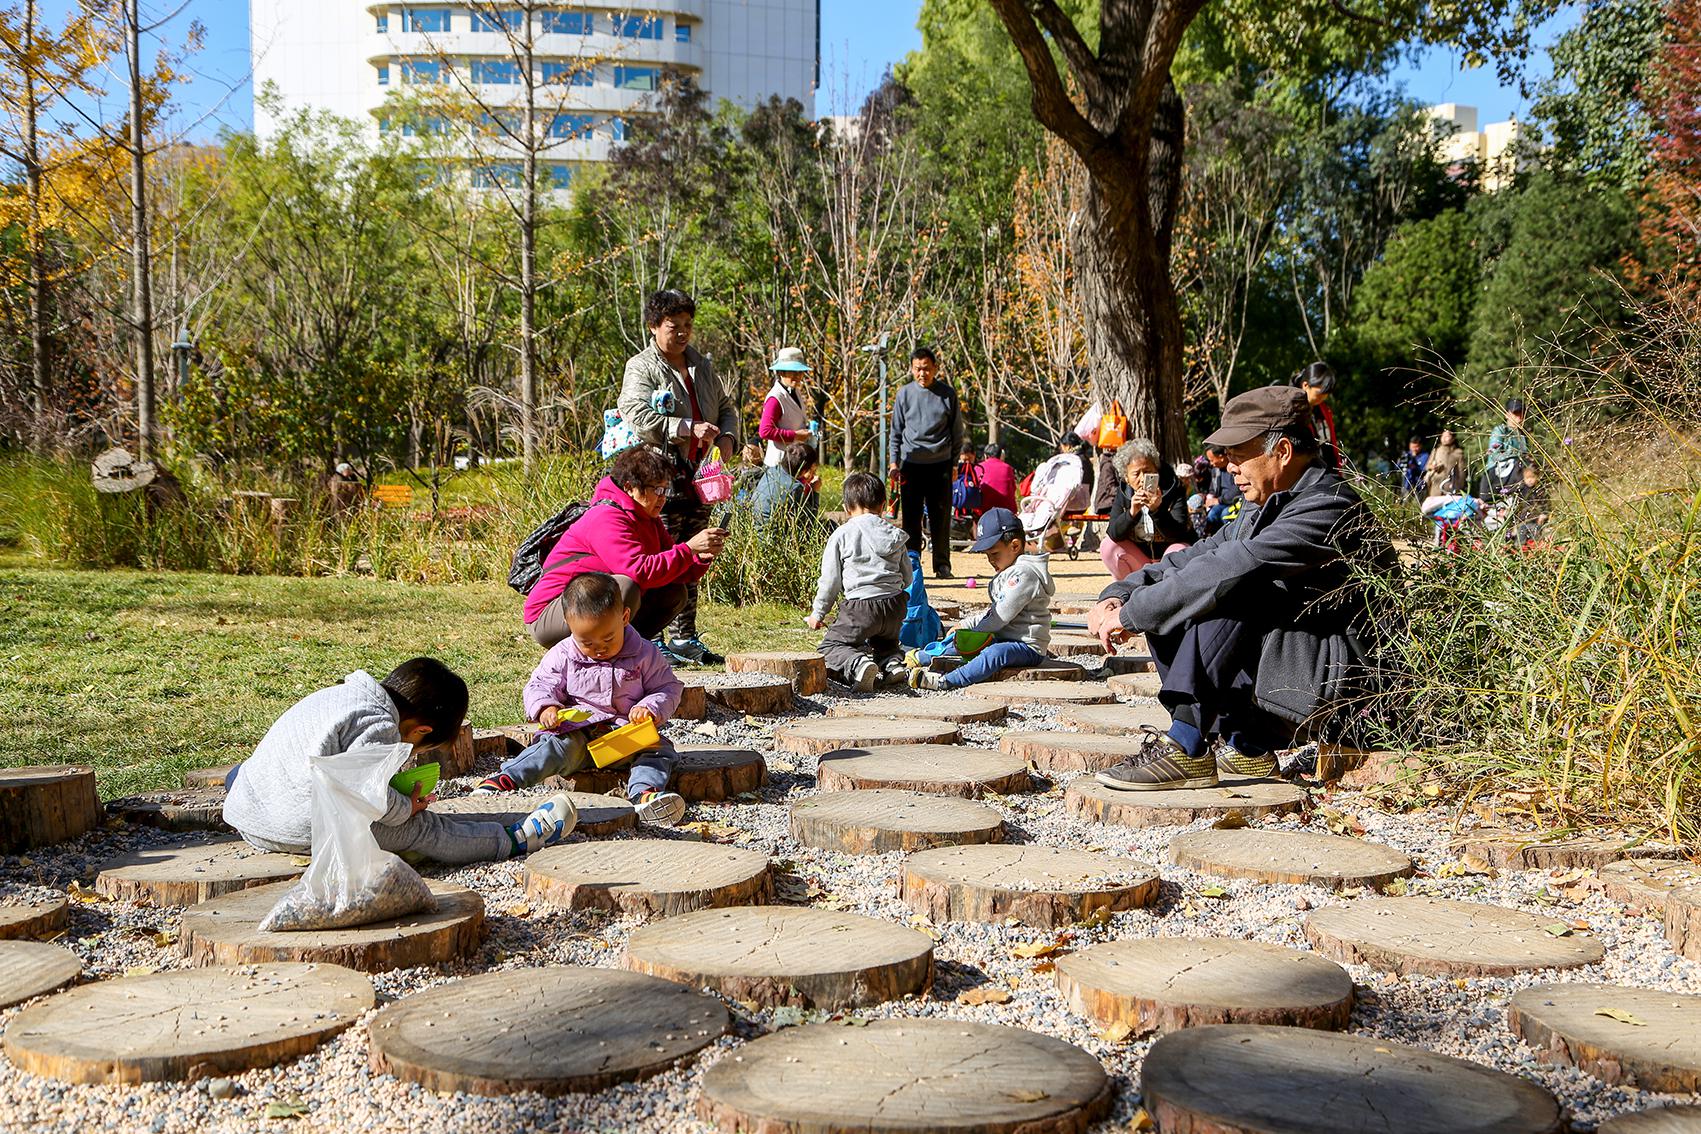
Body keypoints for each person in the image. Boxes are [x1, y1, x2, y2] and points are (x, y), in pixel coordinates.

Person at [1085, 386, 1394, 791]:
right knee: (1187, 590)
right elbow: (1200, 554)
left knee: (1235, 587)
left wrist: (1133, 615)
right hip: (1302, 670)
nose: (1228, 466)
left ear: (1281, 451)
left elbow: (1231, 566)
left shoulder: (1329, 505)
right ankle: (1246, 745)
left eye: (1238, 453)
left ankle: (1188, 745)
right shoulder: (1266, 500)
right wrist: (1122, 592)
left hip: (1352, 687)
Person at [223, 659, 577, 863]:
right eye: (419, 748)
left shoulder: (343, 696)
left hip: (248, 811)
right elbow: (367, 796)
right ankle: (514, 841)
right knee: (423, 829)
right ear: (421, 729)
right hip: (295, 828)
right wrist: (404, 808)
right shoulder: (379, 726)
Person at [482, 574, 687, 825]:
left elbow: (667, 687)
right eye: (587, 642)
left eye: (608, 638)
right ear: (569, 625)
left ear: (624, 618)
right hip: (578, 735)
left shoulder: (644, 653)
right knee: (551, 749)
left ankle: (644, 795)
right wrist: (546, 707)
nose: (599, 648)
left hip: (626, 736)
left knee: (659, 751)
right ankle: (506, 779)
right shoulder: (563, 654)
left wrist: (649, 707)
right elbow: (540, 684)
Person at [617, 288, 740, 665]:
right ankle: (651, 638)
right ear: (654, 326)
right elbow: (635, 412)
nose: (683, 332)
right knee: (662, 554)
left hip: (700, 476)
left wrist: (729, 435)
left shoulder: (702, 365)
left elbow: (724, 407)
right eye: (674, 326)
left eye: (688, 325)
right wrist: (685, 427)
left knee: (696, 553)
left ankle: (685, 636)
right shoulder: (642, 367)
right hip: (659, 476)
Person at [522, 445, 721, 651]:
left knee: (673, 591)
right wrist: (688, 549)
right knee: (624, 587)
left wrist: (700, 556)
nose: (663, 497)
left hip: (589, 602)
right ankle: (603, 656)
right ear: (629, 487)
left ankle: (627, 653)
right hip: (549, 615)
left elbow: (674, 571)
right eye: (657, 490)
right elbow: (639, 571)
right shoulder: (606, 516)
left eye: (666, 489)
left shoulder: (648, 518)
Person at [910, 508, 1054, 690]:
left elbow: (999, 616)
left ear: (1015, 546)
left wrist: (974, 632)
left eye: (994, 554)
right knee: (964, 640)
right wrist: (966, 626)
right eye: (987, 555)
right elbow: (993, 613)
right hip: (1004, 637)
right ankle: (921, 656)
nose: (990, 560)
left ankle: (948, 681)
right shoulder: (1011, 570)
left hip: (1027, 646)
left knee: (994, 653)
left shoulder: (1024, 575)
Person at [806, 472, 911, 692]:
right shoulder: (895, 534)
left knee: (830, 646)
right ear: (883, 505)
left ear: (846, 507)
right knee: (886, 642)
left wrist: (818, 613)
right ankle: (892, 663)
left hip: (861, 608)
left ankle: (858, 664)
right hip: (895, 606)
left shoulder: (842, 534)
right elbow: (908, 576)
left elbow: (831, 580)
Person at [888, 346, 965, 578]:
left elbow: (957, 432)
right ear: (912, 369)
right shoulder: (904, 394)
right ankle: (912, 563)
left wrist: (954, 465)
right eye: (918, 369)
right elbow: (896, 432)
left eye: (927, 369)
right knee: (910, 517)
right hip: (911, 463)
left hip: (940, 464)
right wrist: (894, 463)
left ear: (935, 369)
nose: (923, 374)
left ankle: (942, 564)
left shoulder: (947, 394)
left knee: (940, 516)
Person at [1100, 439, 1195, 580]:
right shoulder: (1124, 492)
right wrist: (1132, 513)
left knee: (1181, 550)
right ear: (1126, 478)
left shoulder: (1174, 488)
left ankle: (1170, 593)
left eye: (1148, 472)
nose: (1143, 478)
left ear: (1157, 470)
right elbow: (1114, 533)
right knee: (1108, 546)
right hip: (1139, 560)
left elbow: (1180, 533)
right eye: (1136, 474)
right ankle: (1131, 588)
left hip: (1167, 561)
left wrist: (1157, 510)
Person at [759, 347, 817, 465]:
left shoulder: (795, 391)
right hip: (779, 463)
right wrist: (795, 435)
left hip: (794, 460)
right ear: (781, 372)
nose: (797, 376)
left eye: (800, 372)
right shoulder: (775, 398)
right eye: (793, 371)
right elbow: (765, 431)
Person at [752, 442, 821, 529]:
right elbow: (809, 523)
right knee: (831, 525)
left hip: (756, 527)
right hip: (773, 536)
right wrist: (815, 491)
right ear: (804, 470)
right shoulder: (794, 488)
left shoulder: (771, 471)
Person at [1293, 362, 1341, 470]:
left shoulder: (1323, 409)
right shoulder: (1293, 411)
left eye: (1326, 393)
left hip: (1329, 468)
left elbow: (1332, 442)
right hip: (1309, 472)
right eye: (1320, 393)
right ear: (1305, 385)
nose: (1323, 397)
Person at [1200, 445, 1243, 534]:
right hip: (1220, 502)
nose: (1211, 463)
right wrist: (1209, 497)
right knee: (1211, 515)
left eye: (1212, 460)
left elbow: (1237, 489)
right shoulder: (1216, 471)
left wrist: (1218, 500)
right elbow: (1212, 488)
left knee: (1225, 514)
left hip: (1235, 502)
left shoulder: (1234, 468)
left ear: (1221, 457)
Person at [1507, 463, 1550, 545]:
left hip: (1536, 520)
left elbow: (1546, 503)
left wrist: (1544, 514)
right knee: (1520, 537)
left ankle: (1535, 549)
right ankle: (1520, 549)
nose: (1530, 480)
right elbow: (1517, 505)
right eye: (1527, 478)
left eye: (1532, 477)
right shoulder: (1521, 490)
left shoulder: (1540, 490)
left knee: (1535, 537)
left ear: (1537, 477)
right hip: (1523, 520)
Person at [1487, 398, 1530, 474]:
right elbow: (1494, 455)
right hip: (1498, 474)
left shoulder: (1524, 434)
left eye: (1521, 412)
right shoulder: (1500, 431)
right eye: (1515, 413)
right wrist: (1516, 456)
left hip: (1518, 473)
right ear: (1507, 415)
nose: (1519, 416)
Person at [1422, 429, 1468, 499]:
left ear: (1453, 439)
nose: (1444, 438)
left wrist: (1460, 486)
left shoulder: (1458, 453)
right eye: (1443, 436)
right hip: (1435, 485)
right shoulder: (1436, 450)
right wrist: (1433, 467)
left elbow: (1462, 471)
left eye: (1447, 436)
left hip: (1451, 486)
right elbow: (1427, 466)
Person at [975, 443, 1018, 515]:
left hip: (983, 511)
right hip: (1006, 511)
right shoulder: (1007, 468)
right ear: (1000, 456)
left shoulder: (978, 468)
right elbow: (1013, 489)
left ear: (985, 456)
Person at [952, 442, 982, 523]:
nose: (967, 464)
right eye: (964, 460)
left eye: (969, 460)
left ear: (974, 456)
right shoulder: (978, 469)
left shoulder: (977, 468)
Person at [1396, 436, 1429, 501]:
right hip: (1406, 484)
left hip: (1419, 485)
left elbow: (1424, 470)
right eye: (1412, 447)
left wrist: (1414, 466)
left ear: (1420, 446)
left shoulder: (1425, 456)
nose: (1414, 449)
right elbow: (1398, 468)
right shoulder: (1406, 455)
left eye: (1416, 447)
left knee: (1418, 504)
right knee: (1405, 503)